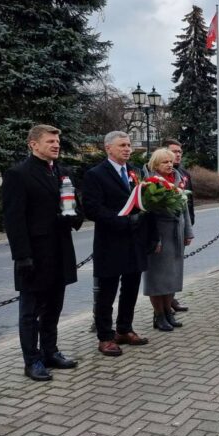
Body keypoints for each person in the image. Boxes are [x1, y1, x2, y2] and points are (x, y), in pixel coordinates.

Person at [2, 125, 83, 381]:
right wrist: (22, 256)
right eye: (50, 141)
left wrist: (72, 216)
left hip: (60, 251)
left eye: (57, 141)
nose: (56, 145)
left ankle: (50, 352)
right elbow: (14, 219)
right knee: (30, 312)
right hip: (34, 255)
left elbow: (74, 205)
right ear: (33, 145)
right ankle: (32, 361)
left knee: (54, 307)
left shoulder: (62, 172)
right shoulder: (18, 174)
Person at [83, 131, 151, 356]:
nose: (127, 149)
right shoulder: (95, 174)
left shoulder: (135, 172)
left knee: (131, 288)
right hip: (110, 241)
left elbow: (142, 200)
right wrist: (121, 222)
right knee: (107, 293)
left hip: (134, 241)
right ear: (108, 148)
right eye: (122, 145)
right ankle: (105, 337)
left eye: (129, 145)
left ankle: (124, 329)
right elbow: (92, 208)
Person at [143, 148, 194, 331]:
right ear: (155, 165)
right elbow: (148, 214)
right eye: (165, 162)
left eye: (171, 161)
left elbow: (184, 209)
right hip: (160, 235)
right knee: (157, 278)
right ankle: (159, 315)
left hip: (176, 233)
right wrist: (154, 239)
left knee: (172, 276)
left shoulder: (178, 179)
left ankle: (168, 312)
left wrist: (188, 232)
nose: (169, 164)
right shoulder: (151, 183)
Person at [161, 139, 193, 313]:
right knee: (164, 270)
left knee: (175, 268)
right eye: (174, 151)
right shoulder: (156, 176)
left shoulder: (184, 174)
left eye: (180, 151)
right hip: (165, 230)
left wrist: (189, 228)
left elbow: (189, 203)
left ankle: (171, 299)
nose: (177, 155)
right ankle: (162, 307)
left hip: (181, 228)